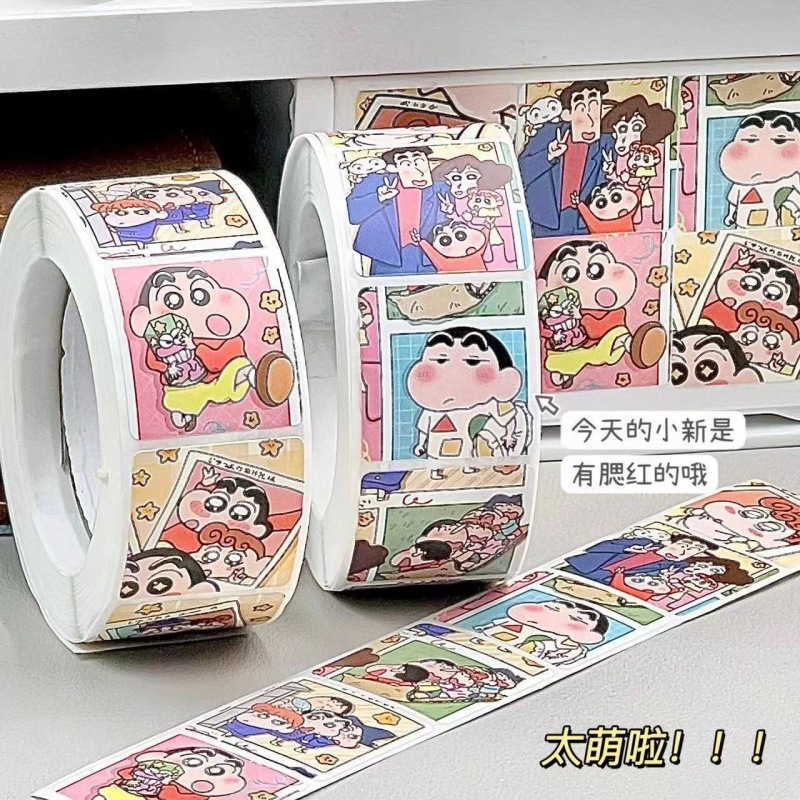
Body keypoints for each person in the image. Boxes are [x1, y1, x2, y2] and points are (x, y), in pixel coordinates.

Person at [519, 80, 615, 237]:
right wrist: (549, 156)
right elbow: (520, 175)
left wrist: (611, 174)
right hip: (547, 223)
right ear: (567, 114)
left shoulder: (608, 143)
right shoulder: (548, 134)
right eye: (581, 108)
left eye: (594, 105)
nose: (589, 117)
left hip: (587, 222)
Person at [345, 146, 449, 275]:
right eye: (407, 164)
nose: (418, 171)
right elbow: (351, 214)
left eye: (419, 162)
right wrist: (379, 198)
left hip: (429, 257)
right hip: (388, 256)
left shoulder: (441, 187)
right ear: (393, 168)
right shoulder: (376, 182)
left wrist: (450, 211)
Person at [719, 110, 800, 228]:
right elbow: (733, 201)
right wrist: (730, 215)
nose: (763, 151)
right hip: (742, 228)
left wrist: (793, 209)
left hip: (775, 229)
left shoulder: (791, 180)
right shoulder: (740, 186)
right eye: (750, 140)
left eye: (779, 140)